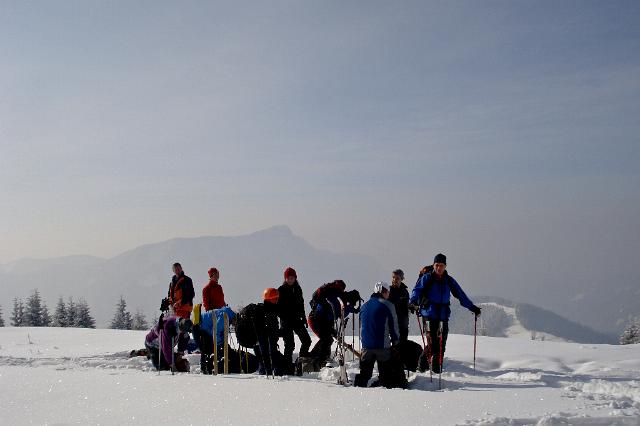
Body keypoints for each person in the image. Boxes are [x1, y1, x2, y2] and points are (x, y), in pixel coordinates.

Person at [409, 253, 481, 373]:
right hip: (428, 314)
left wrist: (472, 307)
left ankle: (436, 369)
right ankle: (422, 366)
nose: (439, 268)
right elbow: (416, 290)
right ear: (433, 265)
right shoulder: (427, 278)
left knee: (441, 343)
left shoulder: (449, 281)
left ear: (445, 266)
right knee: (432, 343)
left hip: (443, 316)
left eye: (441, 265)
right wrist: (412, 303)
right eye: (437, 265)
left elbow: (460, 294)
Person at [354, 282, 406, 388]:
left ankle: (358, 390)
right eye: (388, 292)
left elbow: (363, 325)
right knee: (385, 376)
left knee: (364, 374)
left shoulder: (364, 306)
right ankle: (384, 386)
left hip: (366, 346)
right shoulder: (388, 305)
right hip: (382, 347)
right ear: (385, 292)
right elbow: (394, 327)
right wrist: (396, 343)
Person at [307, 280, 360, 369]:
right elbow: (341, 314)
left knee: (327, 340)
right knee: (326, 340)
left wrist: (350, 308)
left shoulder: (336, 296)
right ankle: (313, 361)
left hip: (321, 321)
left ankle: (320, 361)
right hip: (316, 320)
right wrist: (351, 308)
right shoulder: (337, 299)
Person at [192, 304, 250, 374]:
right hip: (199, 327)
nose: (234, 325)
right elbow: (216, 331)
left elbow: (219, 332)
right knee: (206, 349)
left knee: (209, 348)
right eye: (235, 324)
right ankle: (205, 368)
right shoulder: (225, 316)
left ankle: (207, 367)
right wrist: (220, 344)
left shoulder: (228, 315)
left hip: (205, 329)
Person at [277, 267, 312, 373]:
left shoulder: (298, 289)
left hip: (297, 320)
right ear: (285, 278)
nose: (290, 280)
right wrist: (284, 317)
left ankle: (300, 363)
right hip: (286, 321)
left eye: (292, 278)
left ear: (295, 278)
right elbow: (277, 308)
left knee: (306, 340)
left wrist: (304, 318)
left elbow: (301, 305)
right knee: (290, 345)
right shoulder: (281, 290)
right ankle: (288, 368)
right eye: (288, 278)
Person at [253, 287, 285, 376]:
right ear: (269, 299)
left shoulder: (275, 308)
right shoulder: (261, 309)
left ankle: (273, 369)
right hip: (263, 335)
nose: (277, 300)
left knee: (273, 351)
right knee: (265, 352)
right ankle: (266, 370)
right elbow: (258, 325)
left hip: (272, 335)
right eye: (275, 298)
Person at [389, 269, 410, 343]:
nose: (394, 280)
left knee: (403, 344)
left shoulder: (405, 291)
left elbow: (406, 306)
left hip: (403, 323)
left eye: (397, 278)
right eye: (393, 277)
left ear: (401, 279)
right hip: (392, 323)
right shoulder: (389, 291)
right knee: (395, 344)